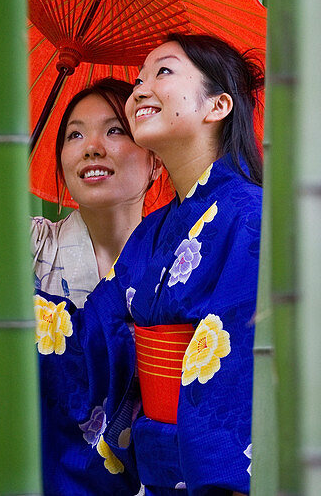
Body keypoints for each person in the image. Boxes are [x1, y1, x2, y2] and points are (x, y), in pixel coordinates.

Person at [0, 0, 162, 495]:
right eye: (74, 135)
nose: (91, 145)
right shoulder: (22, 242)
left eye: (116, 130)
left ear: (155, 160)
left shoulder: (176, 259)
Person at [36, 33, 264, 495]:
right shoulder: (152, 235)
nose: (140, 88)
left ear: (217, 106)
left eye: (162, 71)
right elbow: (88, 349)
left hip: (217, 479)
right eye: (139, 78)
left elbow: (239, 388)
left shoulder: (251, 217)